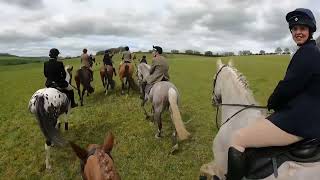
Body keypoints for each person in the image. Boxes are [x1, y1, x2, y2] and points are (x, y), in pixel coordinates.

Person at [226, 8, 320, 180]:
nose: (298, 32)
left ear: (310, 30)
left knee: (237, 138)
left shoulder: (307, 53)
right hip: (309, 114)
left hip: (300, 121)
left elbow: (288, 87)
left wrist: (272, 102)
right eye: (295, 29)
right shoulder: (311, 52)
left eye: (303, 28)